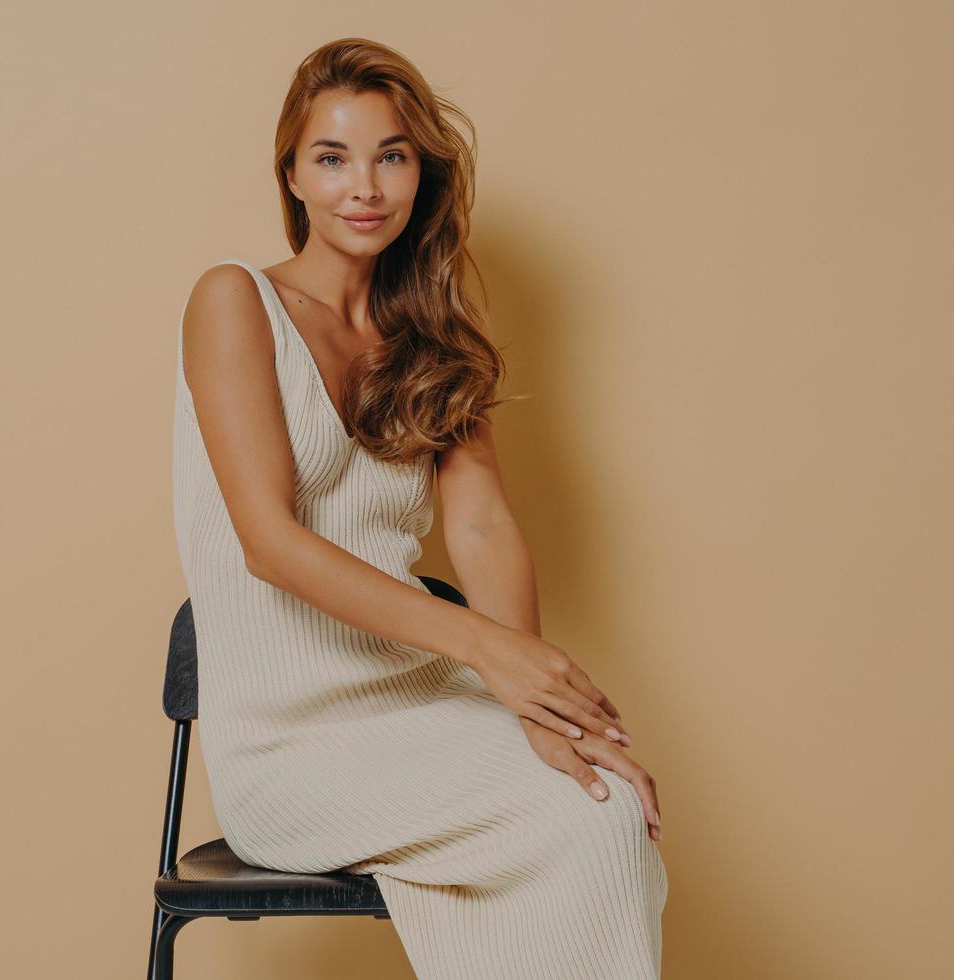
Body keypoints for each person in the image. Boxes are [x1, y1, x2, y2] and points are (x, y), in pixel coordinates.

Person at [172, 36, 667, 980]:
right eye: (333, 157)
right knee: (583, 816)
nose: (364, 187)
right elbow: (270, 544)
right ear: (293, 174)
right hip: (291, 747)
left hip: (426, 708)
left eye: (391, 156)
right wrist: (489, 651)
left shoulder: (430, 336)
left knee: (603, 797)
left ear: (420, 173)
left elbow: (480, 526)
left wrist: (538, 712)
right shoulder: (234, 303)